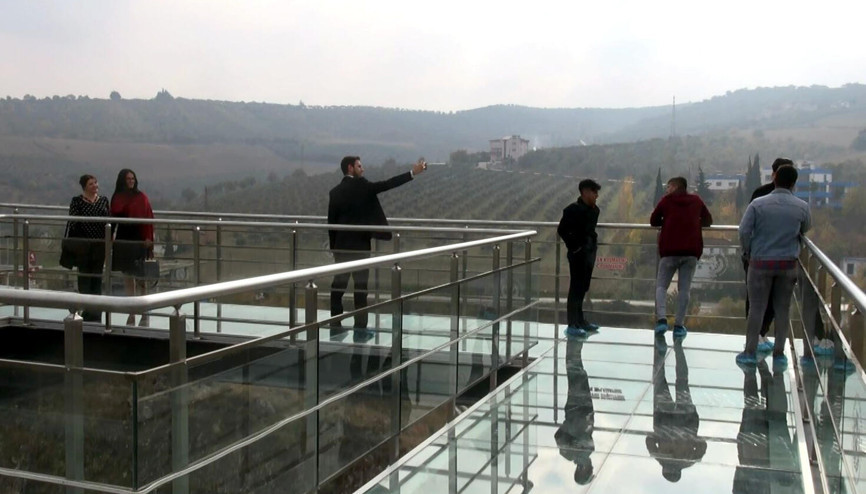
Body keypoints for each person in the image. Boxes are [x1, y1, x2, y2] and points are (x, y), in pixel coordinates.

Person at [328, 156, 426, 342]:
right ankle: (360, 330)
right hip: (361, 248)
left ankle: (335, 325)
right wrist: (413, 173)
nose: (362, 169)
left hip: (341, 248)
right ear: (350, 168)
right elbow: (388, 184)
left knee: (338, 286)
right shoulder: (363, 187)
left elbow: (331, 224)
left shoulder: (335, 192)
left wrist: (334, 248)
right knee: (361, 288)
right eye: (359, 166)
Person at [737, 165, 810, 368]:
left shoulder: (758, 204)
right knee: (782, 308)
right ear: (794, 183)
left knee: (756, 308)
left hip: (760, 262)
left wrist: (748, 252)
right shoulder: (802, 206)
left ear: (774, 178)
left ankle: (750, 351)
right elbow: (805, 228)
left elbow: (743, 231)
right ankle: (779, 353)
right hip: (788, 264)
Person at [650, 177, 713, 338]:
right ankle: (679, 325)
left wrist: (667, 220)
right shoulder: (696, 201)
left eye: (669, 186)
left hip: (669, 250)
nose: (666, 189)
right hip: (691, 251)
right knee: (684, 289)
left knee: (661, 286)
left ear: (676, 186)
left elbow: (653, 220)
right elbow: (708, 220)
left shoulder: (666, 201)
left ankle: (662, 320)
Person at [744, 157, 792, 352]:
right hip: (782, 260)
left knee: (761, 303)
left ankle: (756, 341)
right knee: (770, 304)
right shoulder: (763, 195)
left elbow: (744, 229)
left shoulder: (760, 198)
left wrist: (747, 250)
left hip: (759, 258)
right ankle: (765, 341)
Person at [646, 335, 706, 482]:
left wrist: (691, 437)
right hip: (664, 418)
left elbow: (702, 445)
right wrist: (661, 435)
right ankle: (661, 348)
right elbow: (649, 439)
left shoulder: (688, 461)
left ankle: (678, 349)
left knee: (682, 381)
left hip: (687, 419)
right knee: (660, 380)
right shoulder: (661, 458)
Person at [110, 168, 155, 326]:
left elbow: (148, 217)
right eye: (128, 179)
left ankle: (144, 311)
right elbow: (112, 219)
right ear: (122, 180)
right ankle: (132, 312)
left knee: (141, 277)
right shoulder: (117, 197)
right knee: (128, 276)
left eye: (133, 178)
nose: (131, 181)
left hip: (139, 238)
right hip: (123, 239)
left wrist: (149, 238)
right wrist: (110, 237)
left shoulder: (141, 197)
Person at [557, 179, 601, 337]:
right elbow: (562, 230)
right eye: (594, 192)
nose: (596, 195)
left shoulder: (595, 210)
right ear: (585, 192)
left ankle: (581, 320)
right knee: (575, 287)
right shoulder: (572, 210)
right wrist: (575, 247)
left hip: (589, 252)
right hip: (577, 254)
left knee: (583, 286)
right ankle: (572, 323)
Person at [64, 174, 109, 322]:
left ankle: (95, 314)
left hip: (99, 246)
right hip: (83, 247)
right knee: (84, 278)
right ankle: (87, 311)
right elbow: (73, 222)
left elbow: (108, 220)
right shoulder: (77, 201)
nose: (95, 186)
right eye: (91, 184)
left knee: (97, 279)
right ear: (84, 187)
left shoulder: (103, 200)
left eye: (96, 183)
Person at [555, 337, 595, 486]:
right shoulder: (568, 454)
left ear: (585, 470)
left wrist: (571, 425)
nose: (593, 466)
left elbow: (577, 432)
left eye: (590, 469)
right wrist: (568, 424)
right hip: (574, 410)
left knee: (576, 372)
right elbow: (559, 435)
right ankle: (575, 345)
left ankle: (574, 342)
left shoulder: (586, 451)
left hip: (581, 408)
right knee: (576, 372)